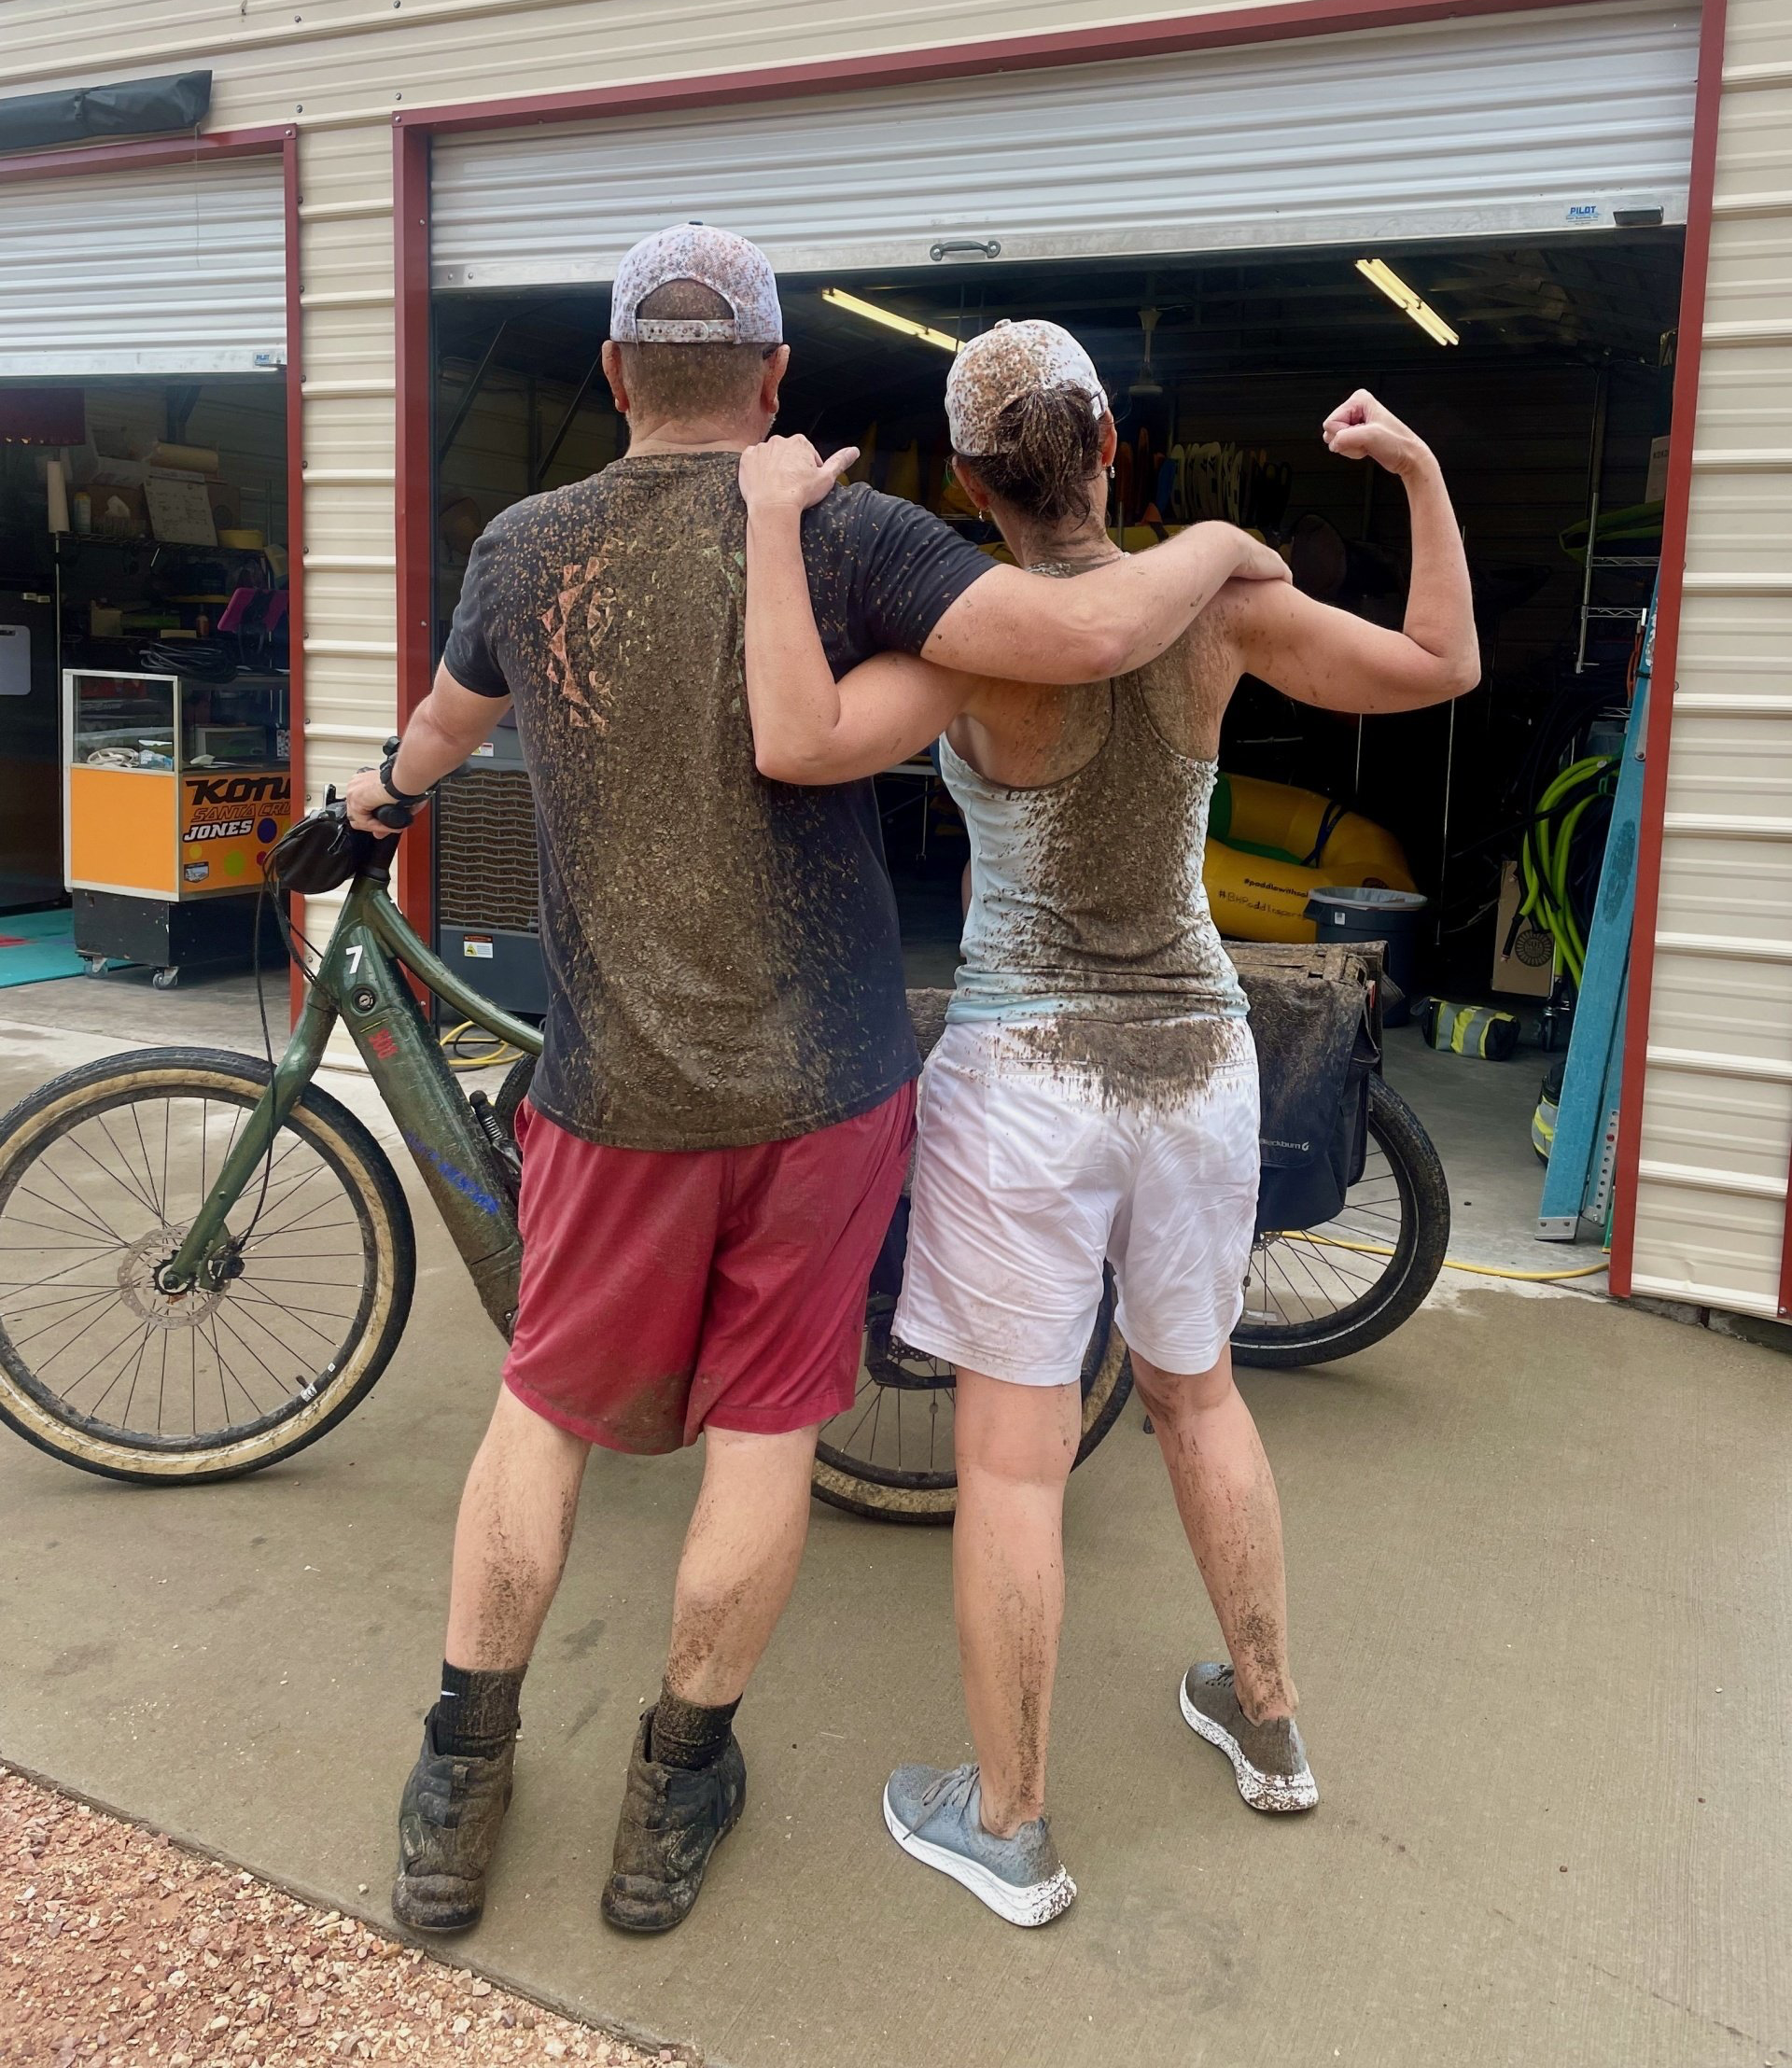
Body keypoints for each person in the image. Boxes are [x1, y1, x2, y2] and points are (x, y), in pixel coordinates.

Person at [344, 233, 1289, 1938]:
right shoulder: (855, 534)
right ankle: (673, 1789)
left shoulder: (521, 548)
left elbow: (442, 725)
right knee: (765, 1439)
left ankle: (458, 1777)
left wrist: (371, 806)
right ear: (777, 383)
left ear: (617, 375)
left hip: (615, 1087)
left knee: (540, 1421)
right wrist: (1218, 545)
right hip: (827, 1088)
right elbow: (1080, 629)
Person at [736, 318, 1478, 1926]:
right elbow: (1441, 667)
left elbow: (792, 740)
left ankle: (1010, 1826)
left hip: (1028, 1076)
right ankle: (1270, 1728)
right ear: (1110, 451)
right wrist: (1416, 472)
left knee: (1013, 1465)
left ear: (975, 482)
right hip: (1197, 1059)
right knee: (1200, 1401)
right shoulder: (1215, 608)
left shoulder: (964, 640)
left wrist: (774, 530)